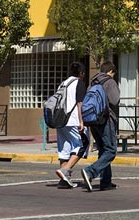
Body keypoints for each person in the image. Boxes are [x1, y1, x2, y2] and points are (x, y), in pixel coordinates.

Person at [81, 61, 120, 192]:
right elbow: (115, 100)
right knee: (111, 150)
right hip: (106, 120)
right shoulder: (110, 82)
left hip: (93, 120)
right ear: (111, 71)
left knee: (103, 150)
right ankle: (90, 172)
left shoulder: (92, 82)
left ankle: (106, 182)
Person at [54, 62, 89, 189]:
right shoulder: (79, 83)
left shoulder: (62, 84)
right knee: (82, 145)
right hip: (73, 120)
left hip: (60, 120)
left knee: (65, 149)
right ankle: (66, 170)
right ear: (81, 73)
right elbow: (80, 103)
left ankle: (64, 180)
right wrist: (81, 121)